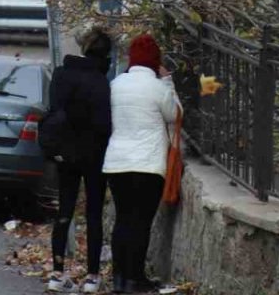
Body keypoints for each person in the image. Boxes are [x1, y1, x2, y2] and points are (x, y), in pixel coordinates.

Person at [103, 34, 180, 294]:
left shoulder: (116, 84)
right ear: (155, 61)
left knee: (123, 220)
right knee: (140, 222)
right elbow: (175, 114)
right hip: (147, 164)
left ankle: (119, 278)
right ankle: (135, 279)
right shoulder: (158, 87)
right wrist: (168, 81)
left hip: (117, 163)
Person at [44, 27, 114, 294]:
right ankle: (93, 277)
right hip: (95, 154)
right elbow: (104, 122)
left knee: (64, 211)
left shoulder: (62, 75)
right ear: (105, 55)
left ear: (84, 48)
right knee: (93, 214)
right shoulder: (100, 81)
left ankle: (57, 273)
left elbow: (55, 110)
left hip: (66, 152)